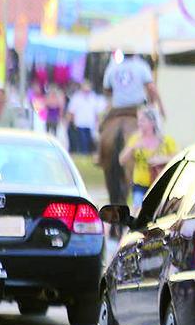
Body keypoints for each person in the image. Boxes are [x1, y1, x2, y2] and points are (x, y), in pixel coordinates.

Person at [99, 52, 161, 210]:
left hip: (117, 109)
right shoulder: (142, 66)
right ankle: (157, 154)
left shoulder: (112, 68)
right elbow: (151, 88)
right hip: (136, 108)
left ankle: (100, 156)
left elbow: (107, 90)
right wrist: (154, 104)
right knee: (155, 129)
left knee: (102, 128)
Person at [120, 107, 177, 209]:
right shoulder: (136, 139)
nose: (139, 124)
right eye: (139, 121)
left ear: (152, 122)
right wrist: (133, 147)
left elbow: (177, 158)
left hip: (159, 184)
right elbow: (122, 160)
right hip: (140, 184)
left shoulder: (166, 141)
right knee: (137, 210)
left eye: (142, 121)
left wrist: (161, 159)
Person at [66, 82, 98, 154]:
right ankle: (83, 155)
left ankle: (87, 155)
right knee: (83, 142)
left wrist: (96, 122)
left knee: (89, 141)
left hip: (90, 124)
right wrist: (72, 122)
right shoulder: (76, 97)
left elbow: (95, 112)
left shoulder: (93, 97)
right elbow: (71, 111)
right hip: (80, 123)